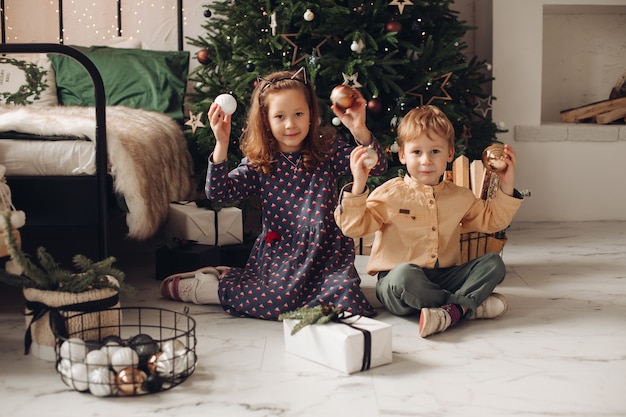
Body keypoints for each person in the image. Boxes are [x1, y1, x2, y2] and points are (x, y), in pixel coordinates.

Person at [161, 67, 387, 319]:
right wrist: (221, 143)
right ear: (266, 121)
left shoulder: (327, 151)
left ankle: (234, 279)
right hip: (282, 256)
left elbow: (377, 165)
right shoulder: (260, 162)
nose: (291, 124)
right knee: (279, 302)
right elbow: (218, 192)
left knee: (348, 304)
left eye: (298, 114)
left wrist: (360, 131)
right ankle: (211, 287)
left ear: (311, 115)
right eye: (279, 116)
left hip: (328, 255)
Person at [334, 105, 524, 337]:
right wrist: (359, 185)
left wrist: (506, 182)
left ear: (450, 154)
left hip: (445, 276)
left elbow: (493, 221)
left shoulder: (459, 196)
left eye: (435, 151)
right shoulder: (389, 194)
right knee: (405, 276)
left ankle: (451, 310)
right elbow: (353, 228)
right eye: (417, 152)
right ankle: (465, 305)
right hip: (399, 282)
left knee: (493, 264)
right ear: (402, 154)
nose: (426, 161)